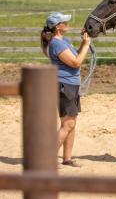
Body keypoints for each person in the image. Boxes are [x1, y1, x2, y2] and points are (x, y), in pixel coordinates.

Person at [40, 12, 91, 167]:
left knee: (71, 123)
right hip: (64, 85)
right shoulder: (57, 44)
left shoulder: (64, 40)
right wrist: (87, 45)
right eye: (64, 21)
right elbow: (76, 62)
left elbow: (75, 55)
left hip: (70, 84)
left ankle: (67, 159)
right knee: (67, 124)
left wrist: (84, 42)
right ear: (57, 26)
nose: (67, 23)